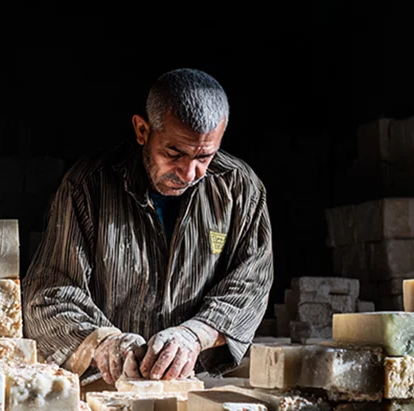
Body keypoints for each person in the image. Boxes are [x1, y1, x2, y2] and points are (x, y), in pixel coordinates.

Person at [22, 68, 273, 384]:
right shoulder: (88, 186)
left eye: (204, 157)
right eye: (174, 153)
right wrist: (103, 343)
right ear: (142, 130)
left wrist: (196, 335)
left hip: (194, 387)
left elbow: (251, 282)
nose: (189, 173)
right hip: (106, 387)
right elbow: (49, 291)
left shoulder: (240, 189)